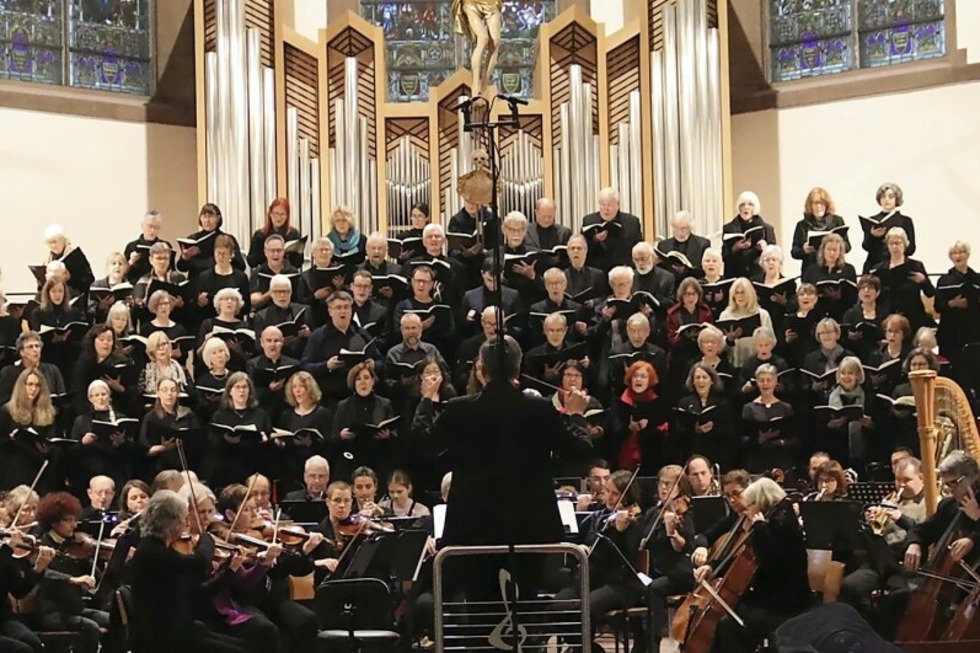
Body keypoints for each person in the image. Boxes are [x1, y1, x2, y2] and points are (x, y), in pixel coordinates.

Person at [412, 335, 593, 600]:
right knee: (524, 602)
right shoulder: (539, 409)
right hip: (528, 528)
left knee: (480, 606)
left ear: (482, 370)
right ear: (518, 370)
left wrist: (426, 400)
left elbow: (421, 443)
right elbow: (580, 452)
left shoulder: (459, 409)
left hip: (473, 529)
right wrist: (576, 414)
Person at [696, 478, 812, 653]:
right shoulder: (767, 524)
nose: (746, 512)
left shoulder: (784, 526)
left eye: (748, 507)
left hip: (788, 603)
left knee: (729, 624)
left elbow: (775, 567)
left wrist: (759, 530)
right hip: (770, 599)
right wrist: (713, 566)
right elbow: (741, 557)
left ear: (762, 503)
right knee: (727, 622)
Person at [129, 490, 245, 653]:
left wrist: (229, 570)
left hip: (180, 627)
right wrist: (206, 537)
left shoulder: (163, 548)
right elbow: (200, 562)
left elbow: (198, 592)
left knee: (244, 647)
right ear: (172, 522)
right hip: (162, 637)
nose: (186, 524)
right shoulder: (151, 551)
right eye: (184, 519)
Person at [581, 188, 644, 272]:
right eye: (602, 205)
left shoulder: (631, 222)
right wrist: (595, 239)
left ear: (617, 205)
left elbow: (638, 246)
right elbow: (582, 247)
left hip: (624, 270)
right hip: (597, 270)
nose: (606, 209)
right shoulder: (589, 221)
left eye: (609, 205)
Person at [790, 187, 850, 273]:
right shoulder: (802, 225)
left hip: (834, 268)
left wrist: (837, 246)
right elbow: (794, 252)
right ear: (810, 205)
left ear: (827, 205)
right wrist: (804, 250)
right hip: (810, 269)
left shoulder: (837, 221)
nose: (819, 206)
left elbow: (848, 247)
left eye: (822, 203)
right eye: (815, 203)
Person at [861, 182, 915, 274]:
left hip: (898, 265)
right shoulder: (872, 220)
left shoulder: (905, 221)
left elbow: (911, 249)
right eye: (883, 197)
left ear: (897, 199)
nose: (886, 199)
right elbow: (866, 246)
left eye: (890, 196)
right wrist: (872, 235)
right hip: (875, 264)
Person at [721, 191, 776, 279]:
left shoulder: (767, 229)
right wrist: (735, 248)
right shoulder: (728, 228)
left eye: (750, 204)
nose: (746, 207)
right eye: (742, 204)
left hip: (758, 275)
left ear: (755, 207)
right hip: (735, 275)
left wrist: (765, 249)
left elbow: (774, 257)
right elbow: (724, 257)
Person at [452, 0, 502, 96]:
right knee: (483, 38)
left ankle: (484, 85)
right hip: (471, 2)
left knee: (495, 42)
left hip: (491, 2)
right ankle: (475, 85)